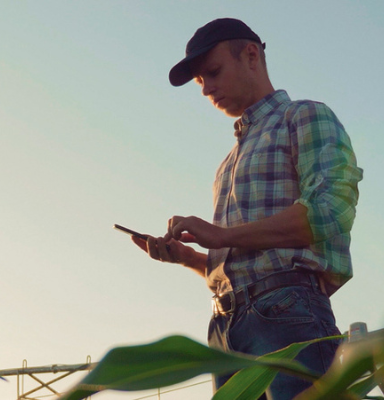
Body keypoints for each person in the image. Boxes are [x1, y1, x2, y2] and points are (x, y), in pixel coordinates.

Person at [130, 18, 363, 400]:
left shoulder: (303, 117)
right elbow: (246, 262)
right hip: (224, 328)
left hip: (286, 314)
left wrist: (221, 235)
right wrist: (189, 258)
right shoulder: (227, 163)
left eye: (213, 72)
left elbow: (329, 212)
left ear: (251, 55)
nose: (206, 88)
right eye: (200, 82)